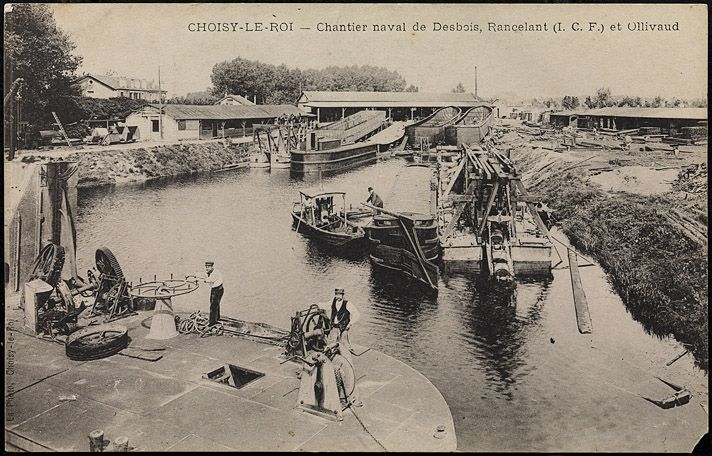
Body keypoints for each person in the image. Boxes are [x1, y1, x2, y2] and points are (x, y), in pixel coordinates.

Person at [320, 287, 362, 407]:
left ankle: (346, 363)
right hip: (334, 328)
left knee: (343, 348)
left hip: (343, 328)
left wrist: (350, 324)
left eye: (339, 294)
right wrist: (317, 305)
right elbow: (326, 305)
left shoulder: (348, 304)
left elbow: (357, 314)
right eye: (336, 294)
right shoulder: (333, 301)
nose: (337, 296)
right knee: (329, 345)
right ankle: (329, 362)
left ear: (343, 295)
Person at [202, 261, 224, 326]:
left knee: (213, 306)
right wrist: (196, 275)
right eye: (206, 267)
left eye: (208, 267)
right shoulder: (212, 271)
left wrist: (201, 279)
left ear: (212, 267)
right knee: (216, 304)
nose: (207, 268)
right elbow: (204, 274)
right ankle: (217, 318)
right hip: (219, 289)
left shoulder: (215, 273)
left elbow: (208, 280)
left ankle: (212, 322)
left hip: (216, 290)